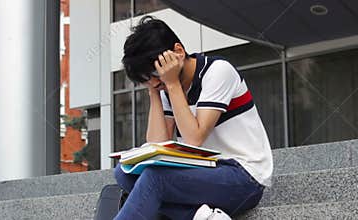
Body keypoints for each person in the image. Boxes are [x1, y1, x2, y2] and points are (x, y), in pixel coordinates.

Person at [113, 15, 273, 220]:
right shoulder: (164, 86)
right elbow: (157, 145)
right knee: (124, 173)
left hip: (243, 177)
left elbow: (194, 139)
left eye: (155, 73)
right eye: (146, 79)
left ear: (178, 52)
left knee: (155, 179)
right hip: (202, 172)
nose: (154, 82)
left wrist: (171, 85)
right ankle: (202, 216)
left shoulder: (217, 71)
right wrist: (154, 91)